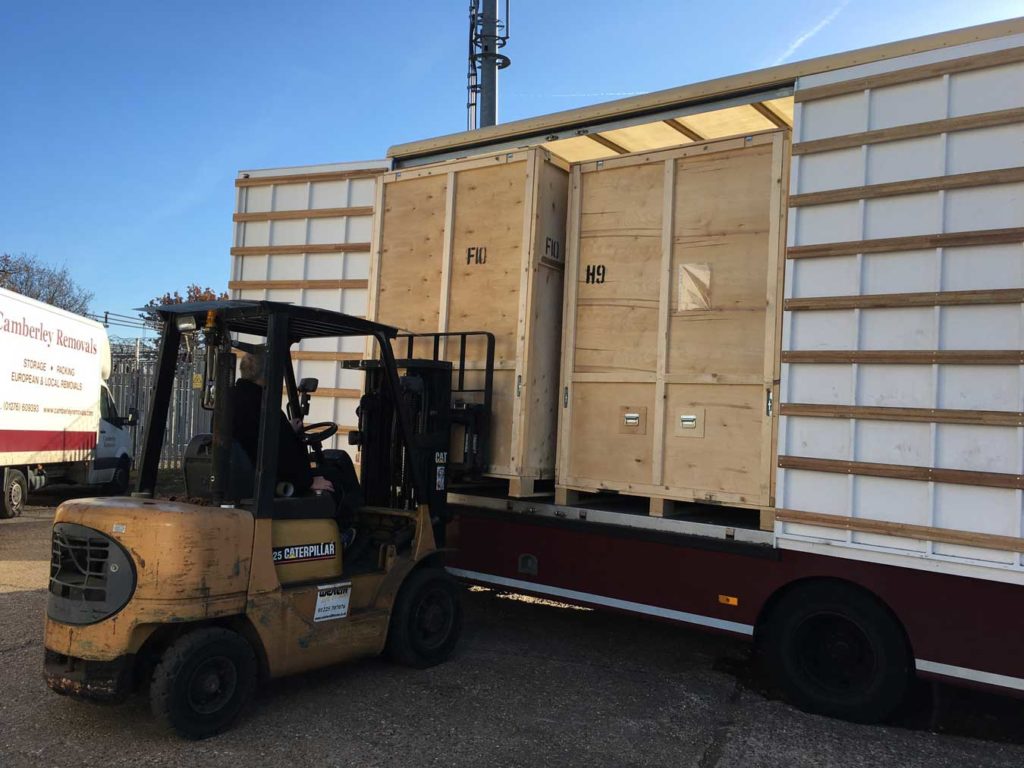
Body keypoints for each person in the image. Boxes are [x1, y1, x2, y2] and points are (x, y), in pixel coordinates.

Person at [231, 351, 334, 496]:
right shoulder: (263, 405)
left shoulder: (230, 400)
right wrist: (308, 481)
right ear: (268, 373)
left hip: (249, 475)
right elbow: (283, 452)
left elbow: (257, 436)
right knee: (335, 477)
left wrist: (287, 428)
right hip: (272, 483)